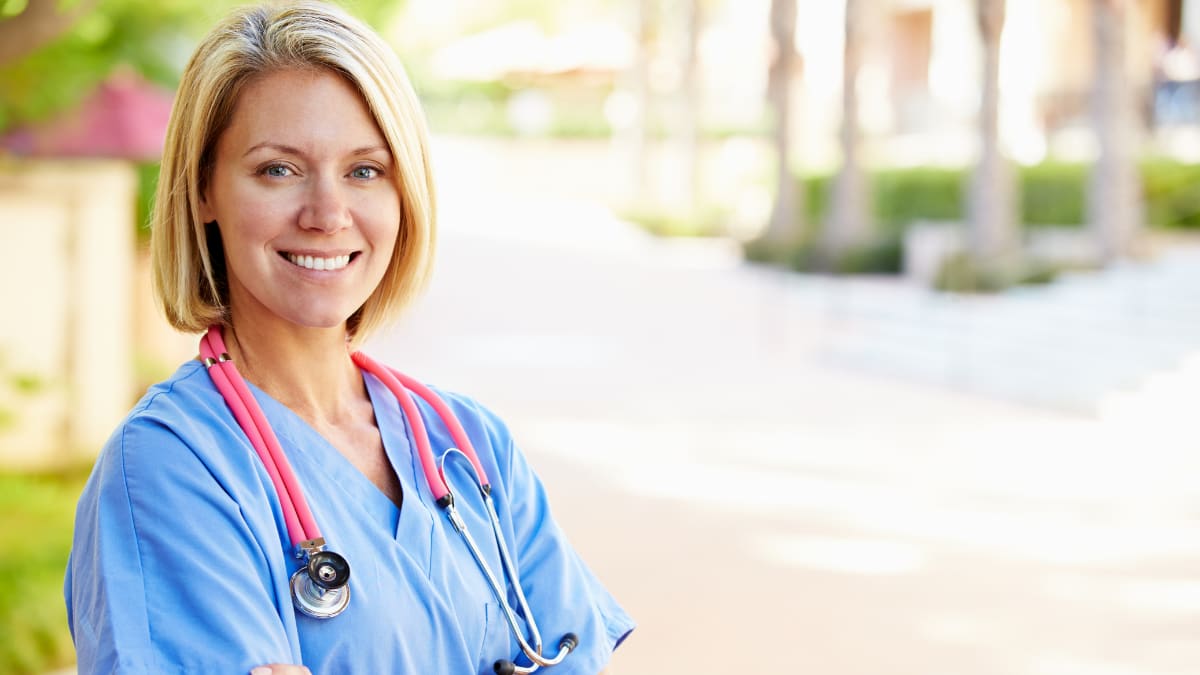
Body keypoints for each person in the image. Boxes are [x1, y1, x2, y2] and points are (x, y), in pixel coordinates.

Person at [63, 2, 635, 673]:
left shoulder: (470, 447)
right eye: (278, 169)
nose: (328, 214)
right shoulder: (170, 468)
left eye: (365, 170)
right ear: (203, 191)